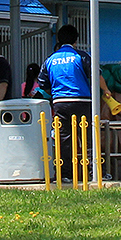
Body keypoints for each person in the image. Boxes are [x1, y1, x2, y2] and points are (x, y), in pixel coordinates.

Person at [34, 25, 92, 182]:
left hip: (60, 102)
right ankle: (92, 171)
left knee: (64, 137)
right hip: (82, 100)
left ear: (58, 39)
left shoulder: (50, 59)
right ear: (76, 39)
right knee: (87, 136)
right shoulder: (82, 56)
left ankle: (66, 173)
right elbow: (93, 76)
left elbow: (42, 84)